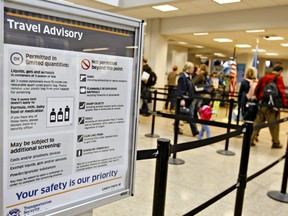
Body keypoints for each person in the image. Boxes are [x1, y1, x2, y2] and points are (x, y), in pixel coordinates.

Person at [250, 64, 287, 148]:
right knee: (274, 124)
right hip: (272, 107)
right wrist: (284, 104)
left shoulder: (264, 77)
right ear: (280, 71)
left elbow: (257, 89)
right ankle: (276, 142)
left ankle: (250, 139)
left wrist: (260, 98)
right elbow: (281, 92)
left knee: (257, 123)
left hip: (262, 103)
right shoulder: (279, 78)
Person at [177, 62, 199, 136]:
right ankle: (195, 131)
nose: (193, 69)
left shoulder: (189, 77)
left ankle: (195, 131)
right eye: (192, 68)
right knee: (187, 114)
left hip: (190, 99)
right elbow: (181, 89)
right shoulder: (182, 77)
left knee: (189, 114)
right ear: (188, 68)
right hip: (185, 99)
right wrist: (182, 98)